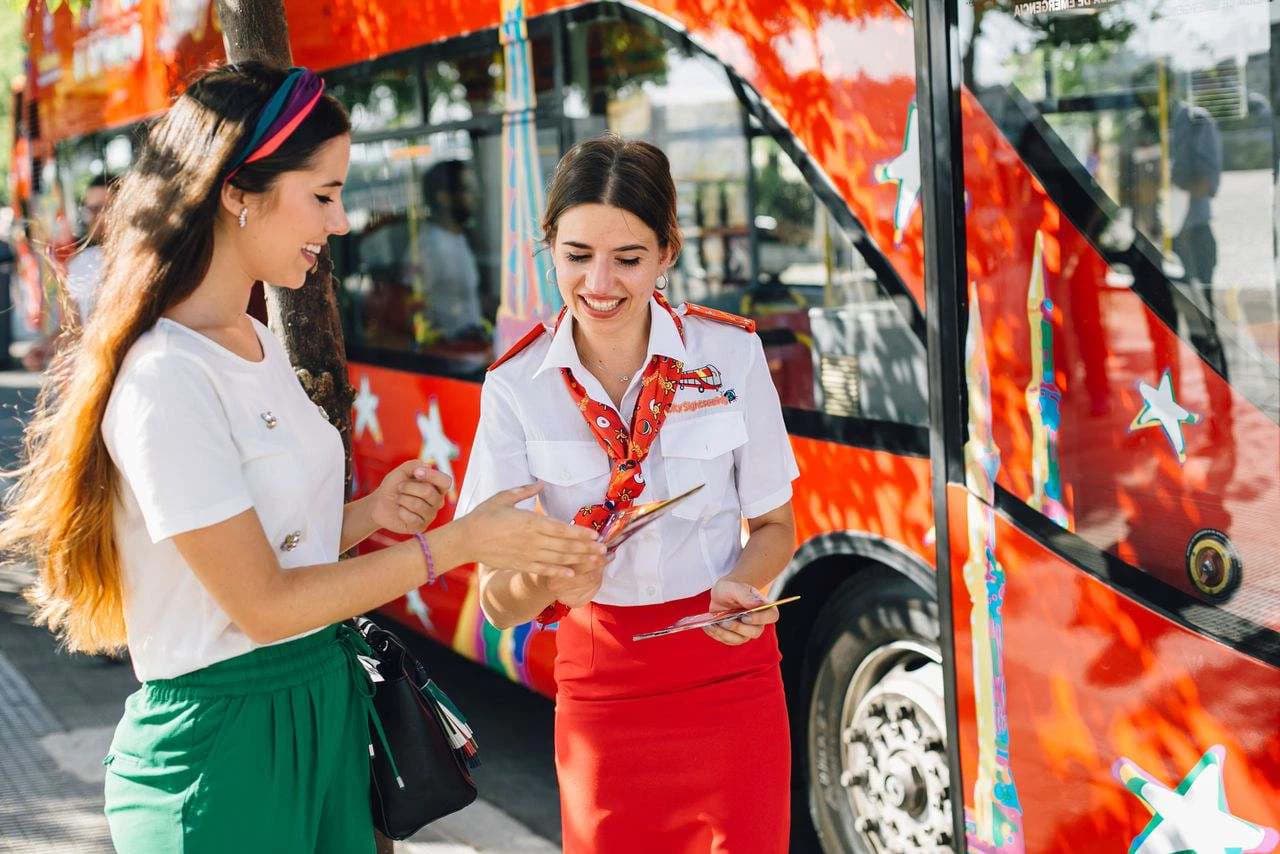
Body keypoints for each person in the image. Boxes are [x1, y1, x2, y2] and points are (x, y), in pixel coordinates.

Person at [0, 62, 604, 853]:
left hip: (319, 709)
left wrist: (371, 515)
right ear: (237, 192)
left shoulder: (251, 339)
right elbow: (263, 603)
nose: (345, 221)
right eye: (323, 194)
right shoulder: (165, 377)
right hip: (225, 749)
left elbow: (271, 540)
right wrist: (453, 547)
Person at [456, 134, 799, 852]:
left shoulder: (729, 355)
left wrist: (742, 582)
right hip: (601, 683)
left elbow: (773, 524)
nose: (600, 284)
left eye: (629, 258)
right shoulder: (515, 389)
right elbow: (494, 598)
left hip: (727, 673)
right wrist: (549, 577)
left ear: (668, 251)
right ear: (549, 246)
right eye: (577, 256)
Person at [413, 159, 485, 342]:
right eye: (467, 189)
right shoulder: (430, 248)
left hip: (473, 345)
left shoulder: (458, 236)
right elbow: (415, 306)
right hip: (450, 352)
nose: (475, 197)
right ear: (444, 197)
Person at [65, 173, 114, 324]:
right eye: (90, 209)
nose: (93, 216)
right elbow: (74, 327)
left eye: (99, 208)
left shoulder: (142, 262)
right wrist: (47, 345)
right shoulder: (79, 263)